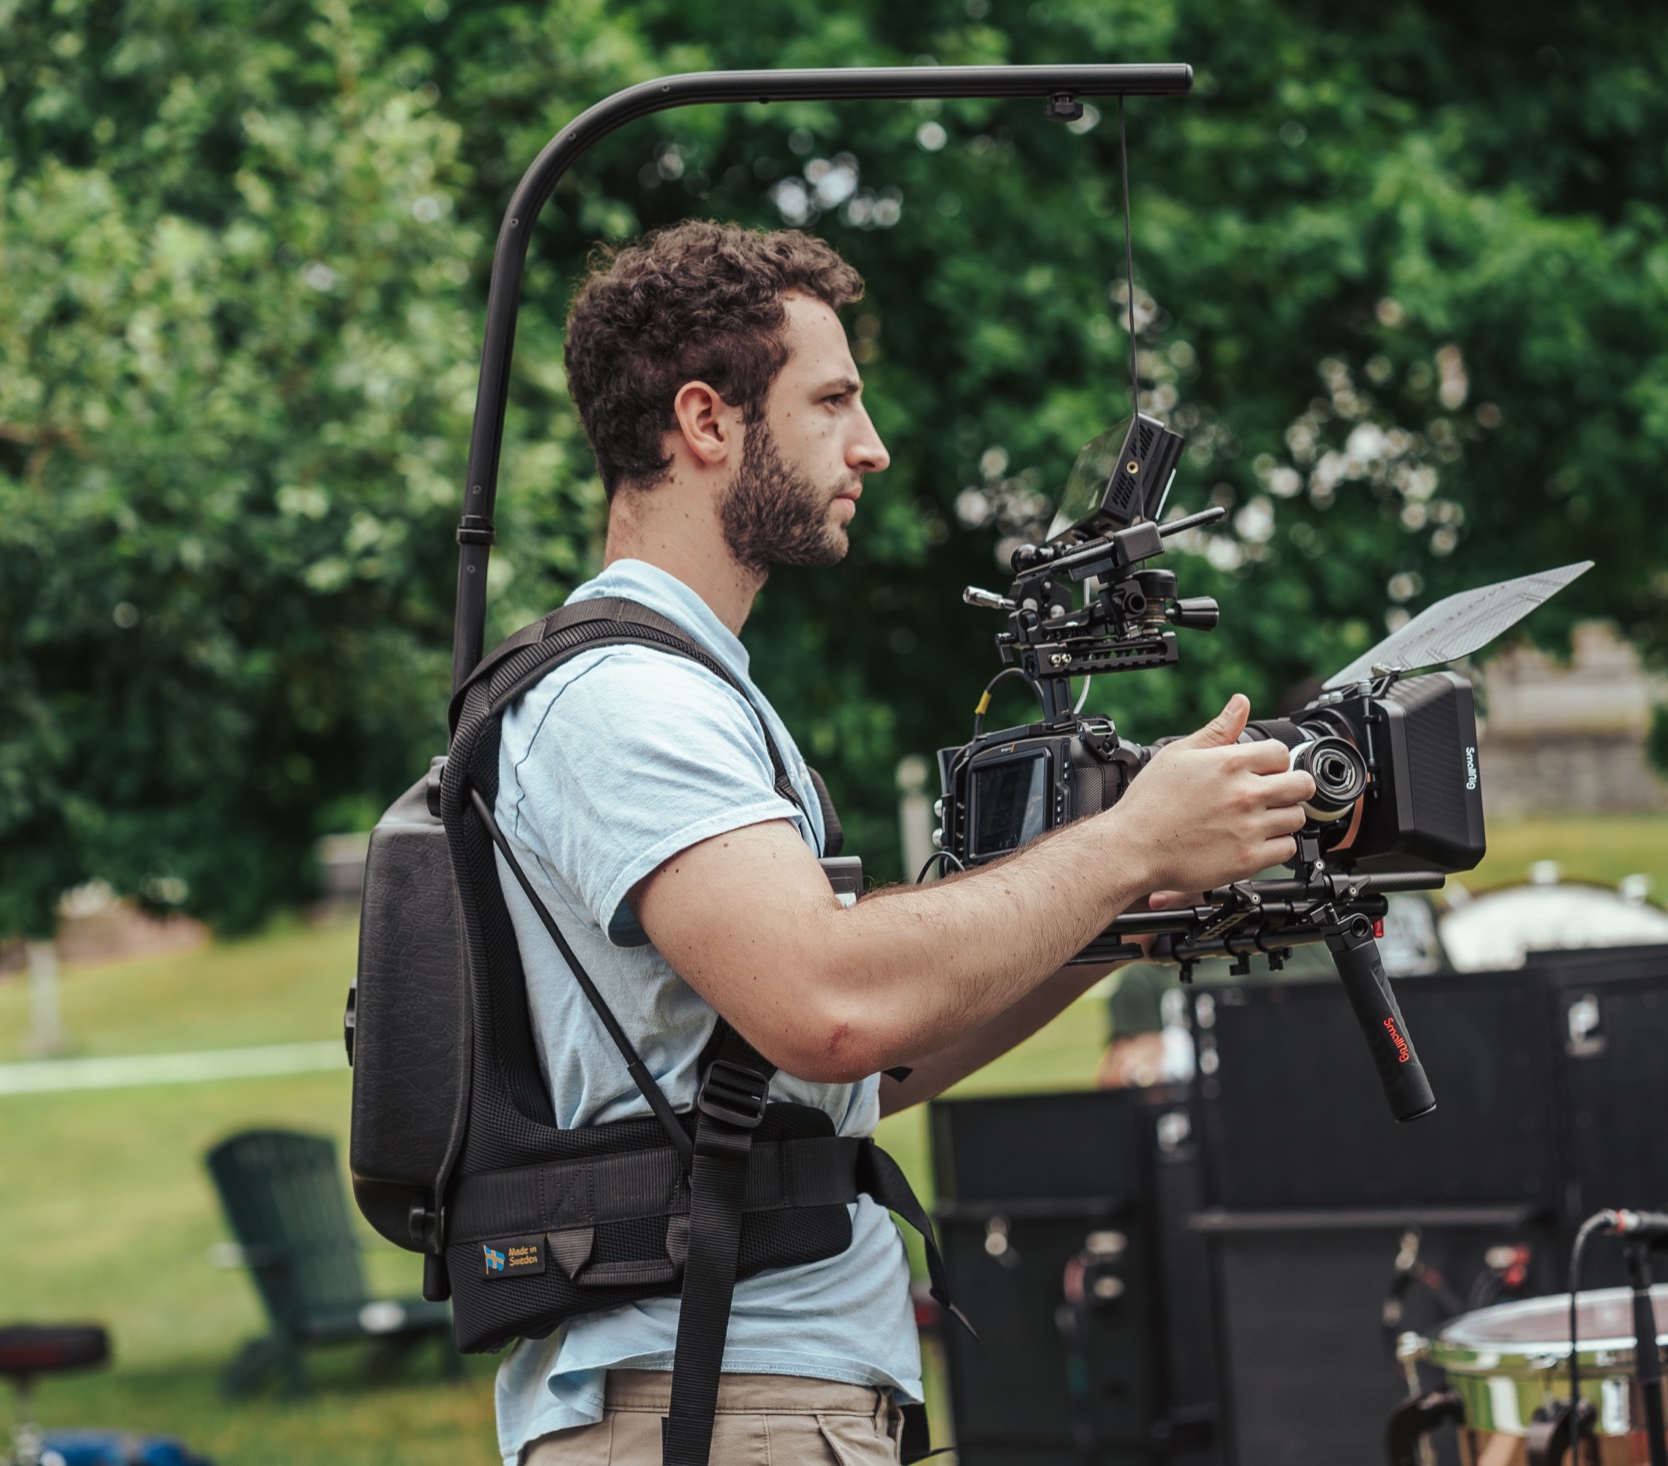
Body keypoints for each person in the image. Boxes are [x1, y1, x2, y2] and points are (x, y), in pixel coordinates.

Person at [493, 220, 1316, 1465]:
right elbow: (834, 1001)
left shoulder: (697, 693)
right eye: (831, 402)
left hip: (758, 1392)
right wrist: (1124, 844)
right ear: (706, 422)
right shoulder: (625, 703)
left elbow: (857, 1076)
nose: (869, 446)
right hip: (711, 1400)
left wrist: (1127, 906)